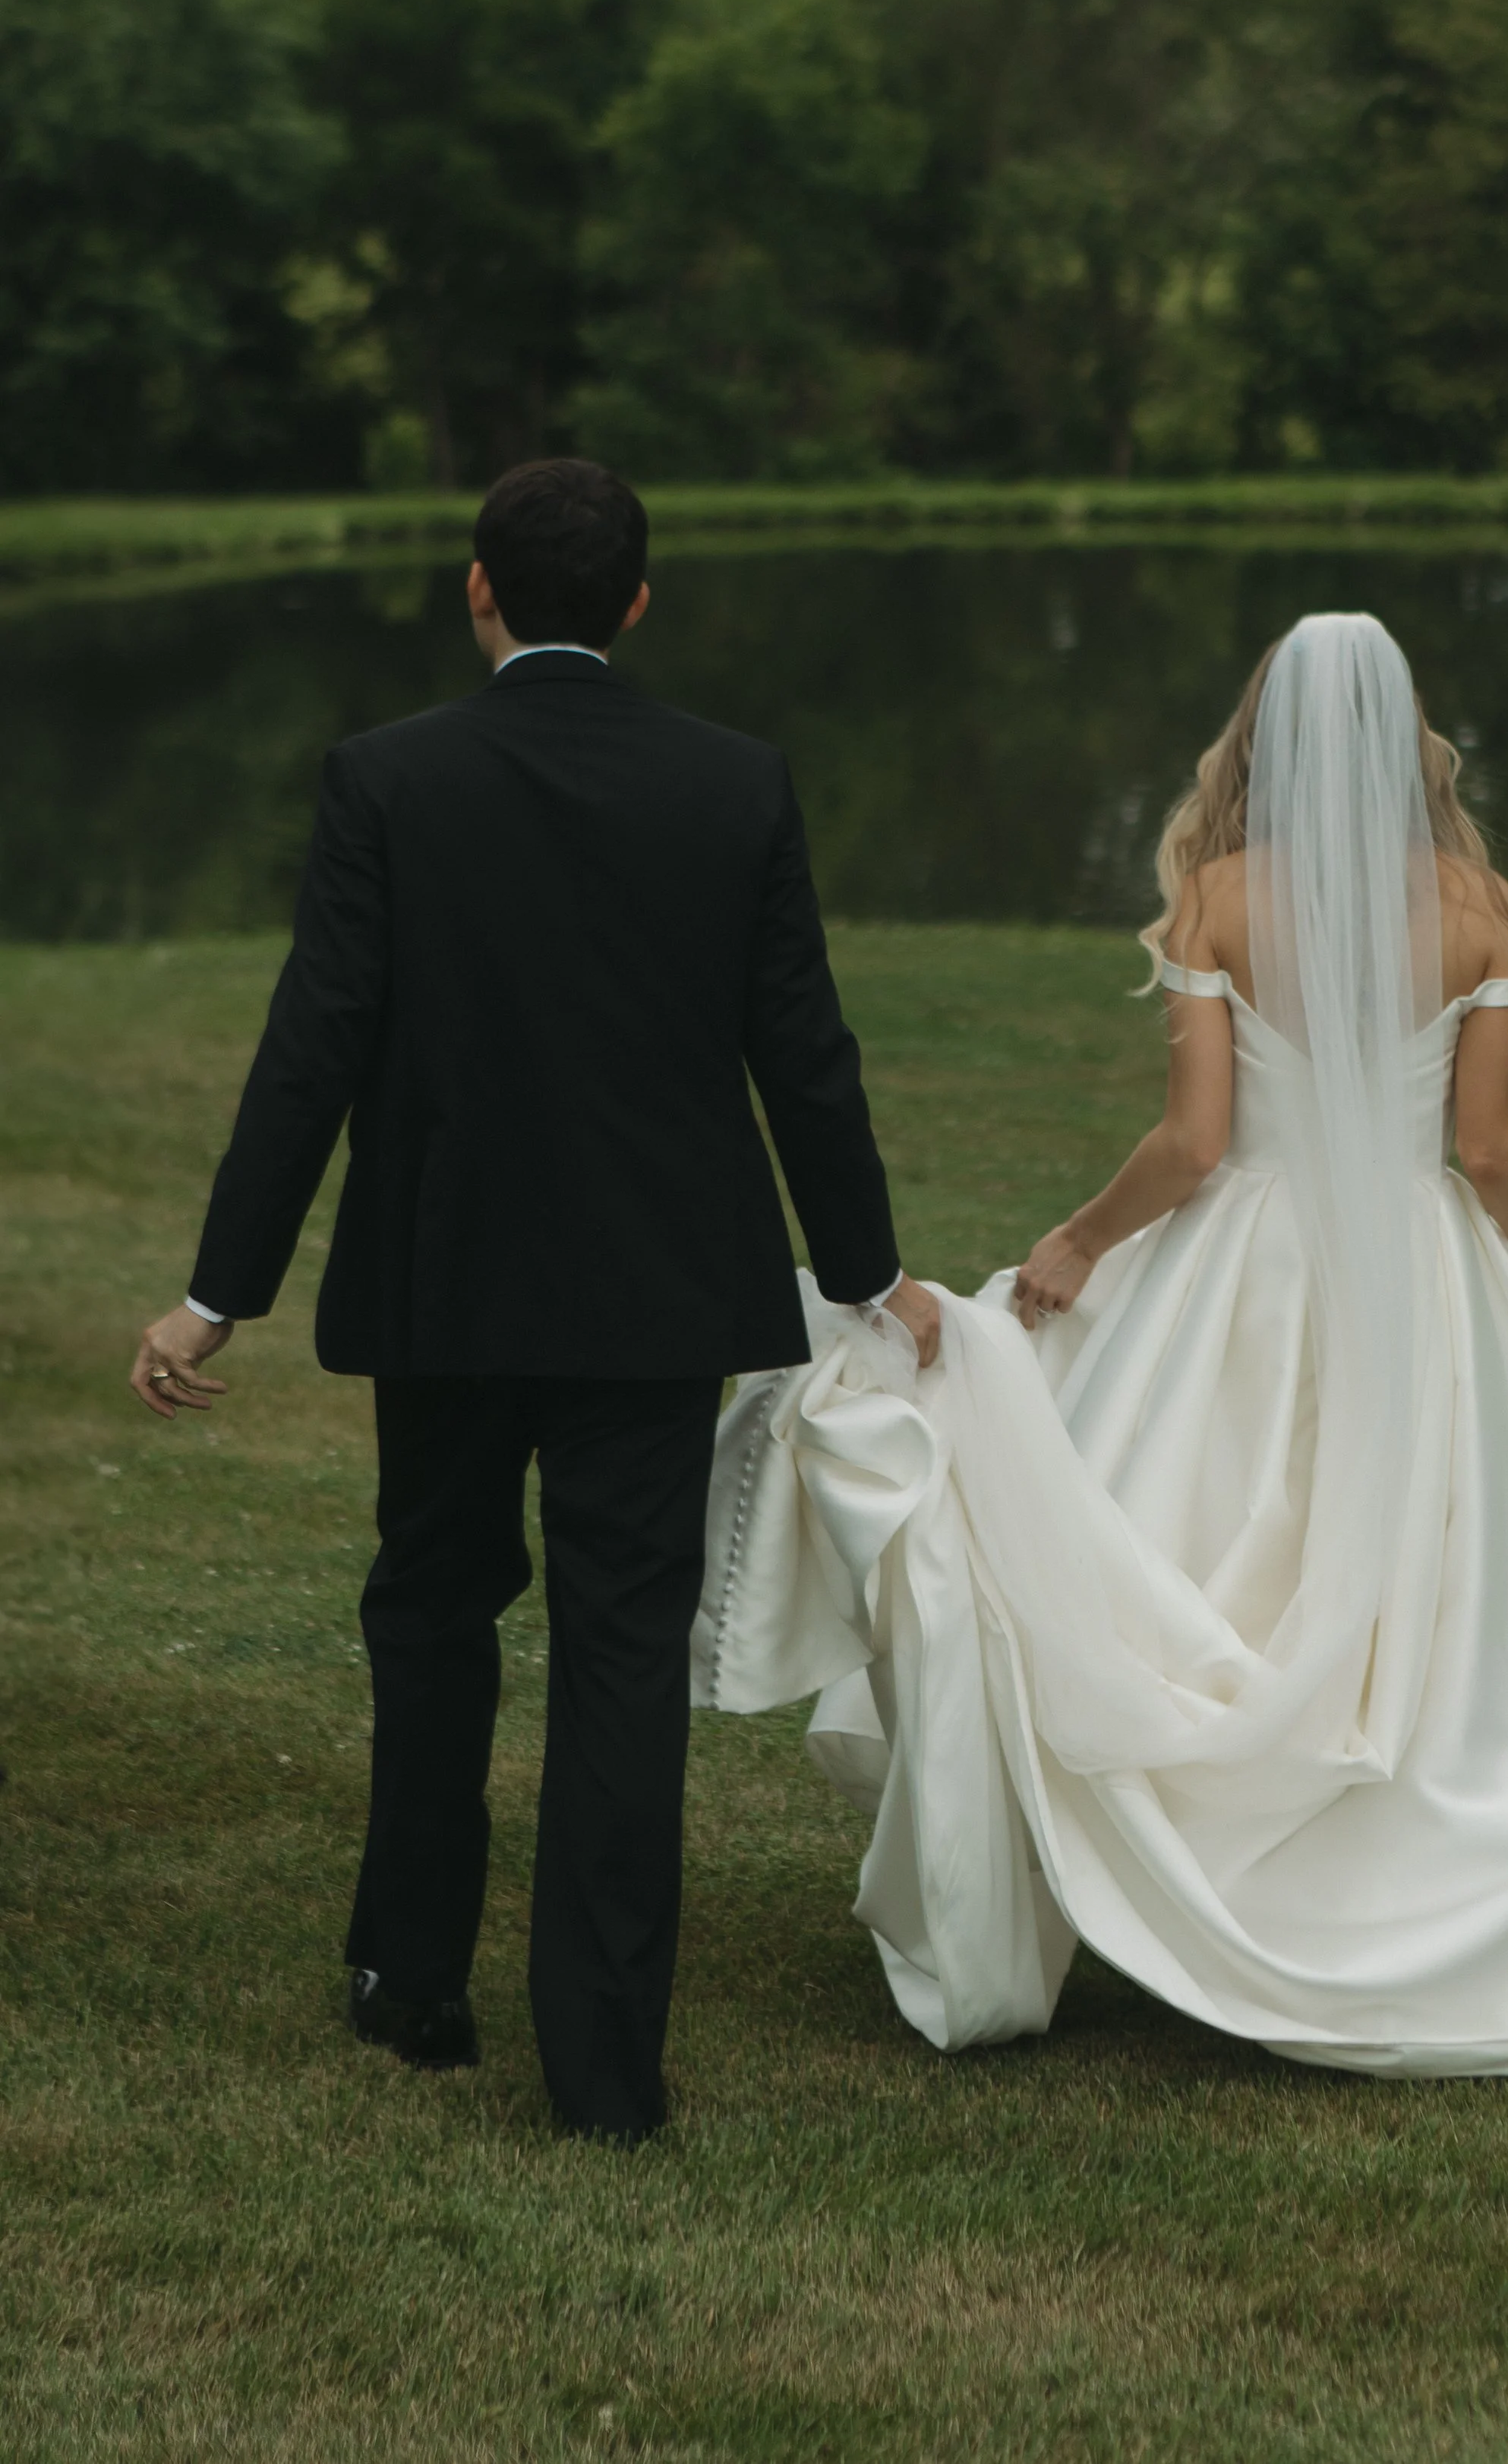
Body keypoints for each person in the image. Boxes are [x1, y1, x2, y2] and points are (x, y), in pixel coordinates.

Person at [696, 612, 1508, 2073]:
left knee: (1194, 1521)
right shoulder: (1481, 908)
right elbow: (1488, 1153)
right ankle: (1434, 1837)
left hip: (1243, 1261)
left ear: (1266, 732)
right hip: (1428, 1268)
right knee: (1470, 1556)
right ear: (1406, 732)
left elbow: (1193, 1144)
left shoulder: (1218, 899)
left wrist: (1078, 1242)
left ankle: (1183, 1834)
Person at [131, 456, 939, 2146]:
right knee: (621, 1649)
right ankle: (605, 2074)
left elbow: (312, 1052)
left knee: (431, 1608)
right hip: (651, 1293)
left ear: (478, 589)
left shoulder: (387, 779)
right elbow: (802, 1050)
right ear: (635, 603)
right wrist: (867, 1270)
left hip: (444, 1283)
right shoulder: (734, 785)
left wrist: (221, 1292)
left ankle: (412, 1983)